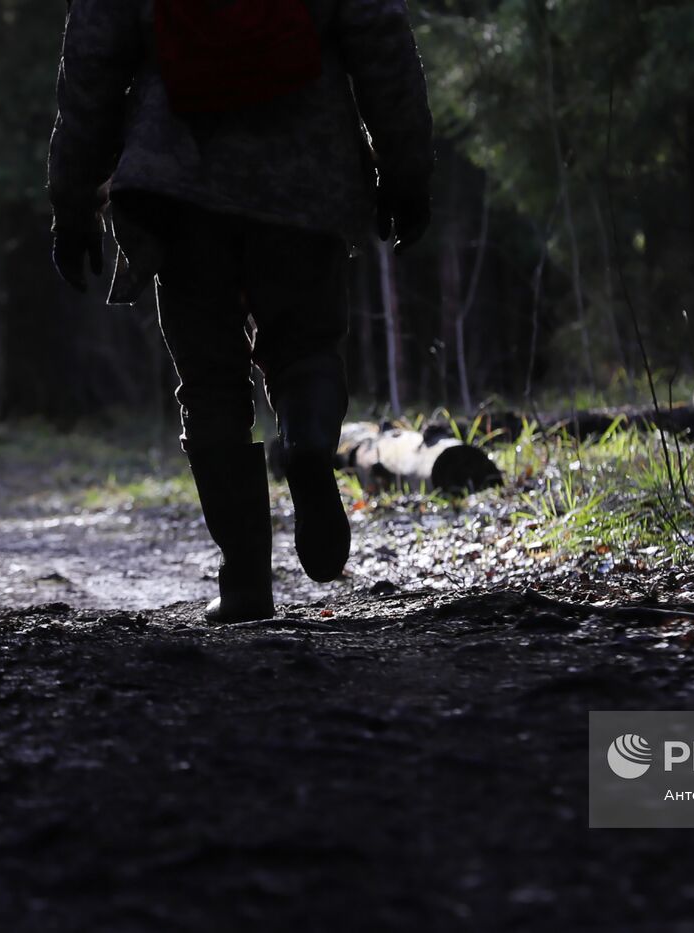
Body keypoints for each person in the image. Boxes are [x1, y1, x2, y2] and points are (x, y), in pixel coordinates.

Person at [47, 0, 434, 622]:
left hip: (178, 183)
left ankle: (247, 582)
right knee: (305, 344)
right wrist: (408, 172)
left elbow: (90, 64)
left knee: (209, 381)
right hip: (308, 173)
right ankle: (307, 446)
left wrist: (71, 198)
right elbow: (381, 41)